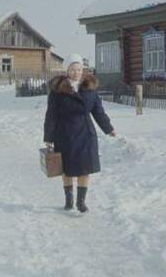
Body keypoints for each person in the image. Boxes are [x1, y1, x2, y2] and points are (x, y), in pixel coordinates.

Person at [43, 53, 115, 212]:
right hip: (65, 134)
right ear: (67, 70)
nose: (77, 72)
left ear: (83, 69)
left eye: (79, 69)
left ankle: (81, 202)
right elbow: (51, 115)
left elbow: (98, 112)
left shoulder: (90, 88)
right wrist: (49, 136)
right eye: (73, 69)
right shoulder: (57, 91)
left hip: (86, 135)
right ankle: (68, 199)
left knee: (85, 169)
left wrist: (108, 128)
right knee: (67, 169)